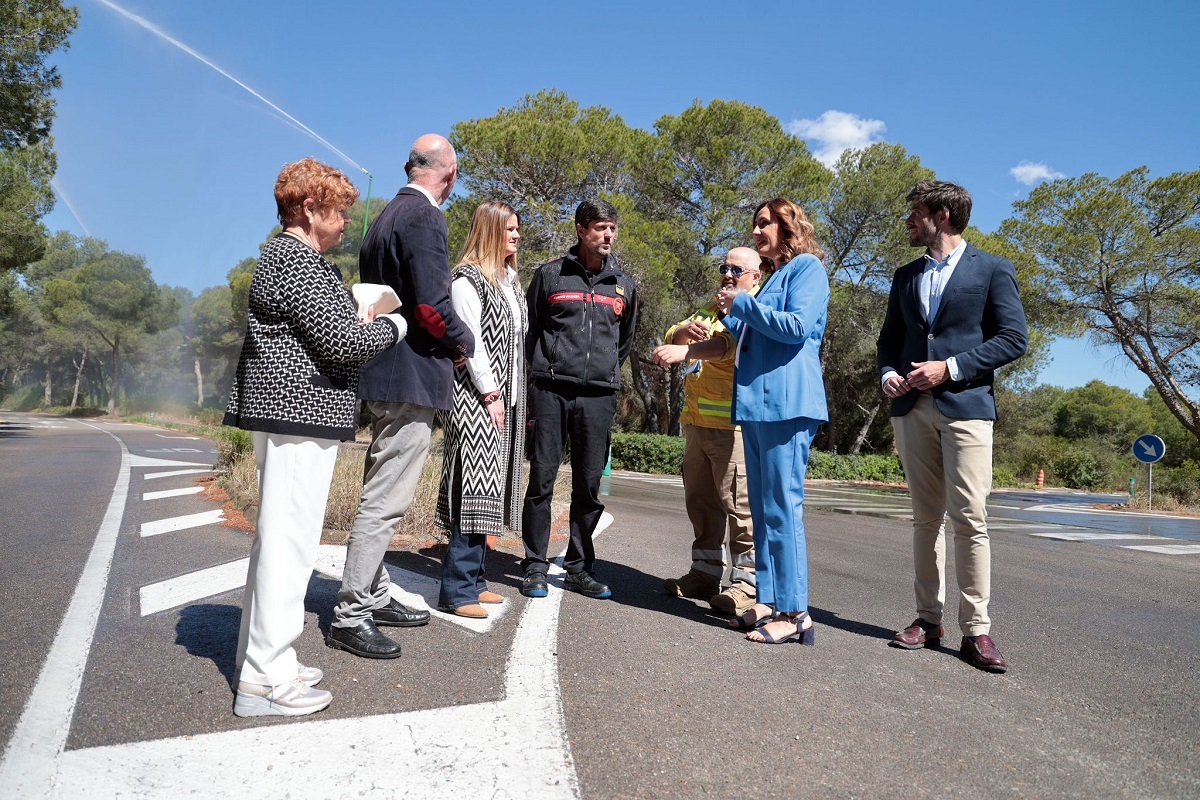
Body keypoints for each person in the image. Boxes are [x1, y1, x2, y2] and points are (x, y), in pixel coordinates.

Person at [223, 157, 407, 716]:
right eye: (341, 210)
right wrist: (392, 324)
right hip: (296, 412)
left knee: (278, 540)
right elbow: (342, 344)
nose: (348, 221)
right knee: (289, 543)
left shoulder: (290, 260)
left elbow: (322, 331)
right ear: (309, 208)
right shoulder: (298, 261)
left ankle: (264, 662)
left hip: (287, 412)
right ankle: (266, 680)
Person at [327, 134, 475, 659]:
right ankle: (351, 614)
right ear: (449, 174)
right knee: (386, 502)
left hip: (383, 371)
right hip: (413, 376)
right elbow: (432, 307)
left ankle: (375, 591)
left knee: (379, 488)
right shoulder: (426, 218)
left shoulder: (385, 215)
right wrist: (464, 343)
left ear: (407, 166)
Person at [876, 180, 1027, 673]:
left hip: (967, 408)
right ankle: (927, 619)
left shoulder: (992, 268)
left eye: (914, 213)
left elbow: (1013, 339)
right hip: (912, 410)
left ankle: (977, 631)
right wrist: (890, 375)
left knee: (970, 519)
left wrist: (951, 368)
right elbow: (889, 341)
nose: (908, 222)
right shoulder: (904, 276)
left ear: (940, 215)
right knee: (925, 519)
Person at [715, 198, 829, 645]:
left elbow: (797, 327)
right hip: (758, 407)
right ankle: (768, 598)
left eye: (765, 224)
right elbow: (756, 335)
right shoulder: (775, 277)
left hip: (789, 404)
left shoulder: (807, 270)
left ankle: (795, 611)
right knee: (764, 512)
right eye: (756, 224)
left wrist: (743, 304)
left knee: (783, 509)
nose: (757, 232)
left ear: (787, 227)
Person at [520, 199, 638, 600]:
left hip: (599, 398)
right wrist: (547, 368)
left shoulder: (625, 284)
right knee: (542, 481)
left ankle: (578, 568)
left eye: (612, 229)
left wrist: (600, 372)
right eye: (601, 228)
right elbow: (533, 331)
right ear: (581, 230)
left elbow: (624, 342)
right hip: (550, 391)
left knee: (588, 486)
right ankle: (535, 565)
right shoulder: (550, 275)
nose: (609, 236)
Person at [651, 246, 762, 616]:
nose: (728, 274)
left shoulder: (751, 310)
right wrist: (682, 331)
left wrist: (685, 351)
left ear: (755, 277)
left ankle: (747, 584)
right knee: (701, 502)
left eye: (737, 269)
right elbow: (675, 332)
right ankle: (704, 573)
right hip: (697, 424)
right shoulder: (712, 308)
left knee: (739, 507)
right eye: (724, 267)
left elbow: (727, 346)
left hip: (734, 429)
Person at [434, 201, 528, 619]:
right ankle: (456, 590)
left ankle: (475, 580)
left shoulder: (509, 279)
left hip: (505, 398)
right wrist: (490, 394)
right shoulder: (466, 280)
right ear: (490, 231)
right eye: (508, 229)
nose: (516, 235)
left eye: (517, 229)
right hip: (476, 397)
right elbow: (472, 346)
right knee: (474, 488)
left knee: (490, 490)